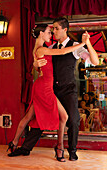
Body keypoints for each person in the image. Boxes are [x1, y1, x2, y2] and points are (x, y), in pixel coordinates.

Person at [7, 23, 87, 162]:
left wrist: (35, 65)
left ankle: (14, 143)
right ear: (41, 34)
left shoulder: (40, 49)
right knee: (62, 116)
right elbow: (62, 52)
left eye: (52, 31)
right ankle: (59, 147)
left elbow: (40, 68)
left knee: (30, 117)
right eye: (49, 32)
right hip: (45, 88)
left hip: (45, 86)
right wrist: (82, 43)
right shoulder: (41, 49)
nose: (51, 34)